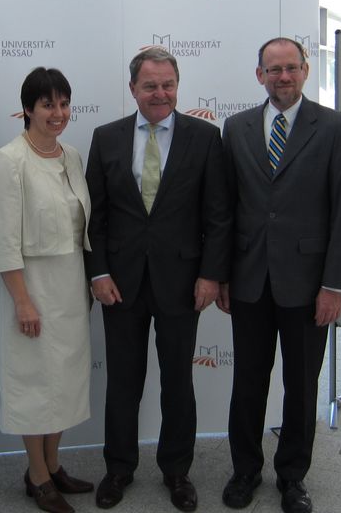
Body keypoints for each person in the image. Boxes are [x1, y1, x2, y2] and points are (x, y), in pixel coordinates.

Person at [85, 47, 231, 512]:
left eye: (168, 84)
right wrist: (100, 272)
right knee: (123, 382)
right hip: (120, 283)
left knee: (177, 382)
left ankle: (176, 471)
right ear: (133, 89)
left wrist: (211, 275)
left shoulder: (205, 138)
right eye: (150, 85)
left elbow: (219, 215)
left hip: (182, 282)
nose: (160, 93)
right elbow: (95, 218)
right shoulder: (105, 137)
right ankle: (119, 468)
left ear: (177, 86)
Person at [218, 37, 341, 513]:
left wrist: (333, 285)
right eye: (273, 69)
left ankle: (292, 477)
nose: (283, 77)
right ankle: (245, 471)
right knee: (248, 384)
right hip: (249, 280)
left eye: (291, 68)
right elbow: (225, 209)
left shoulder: (334, 127)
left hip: (308, 284)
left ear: (305, 71)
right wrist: (219, 276)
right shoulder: (235, 128)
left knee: (301, 386)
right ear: (259, 74)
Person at [0, 67, 94, 513]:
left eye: (64, 103)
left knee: (64, 381)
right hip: (28, 288)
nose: (58, 113)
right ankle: (36, 474)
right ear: (27, 108)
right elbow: (2, 239)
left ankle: (53, 463)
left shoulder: (71, 156)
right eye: (48, 104)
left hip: (70, 287)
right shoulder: (8, 161)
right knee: (34, 382)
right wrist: (22, 301)